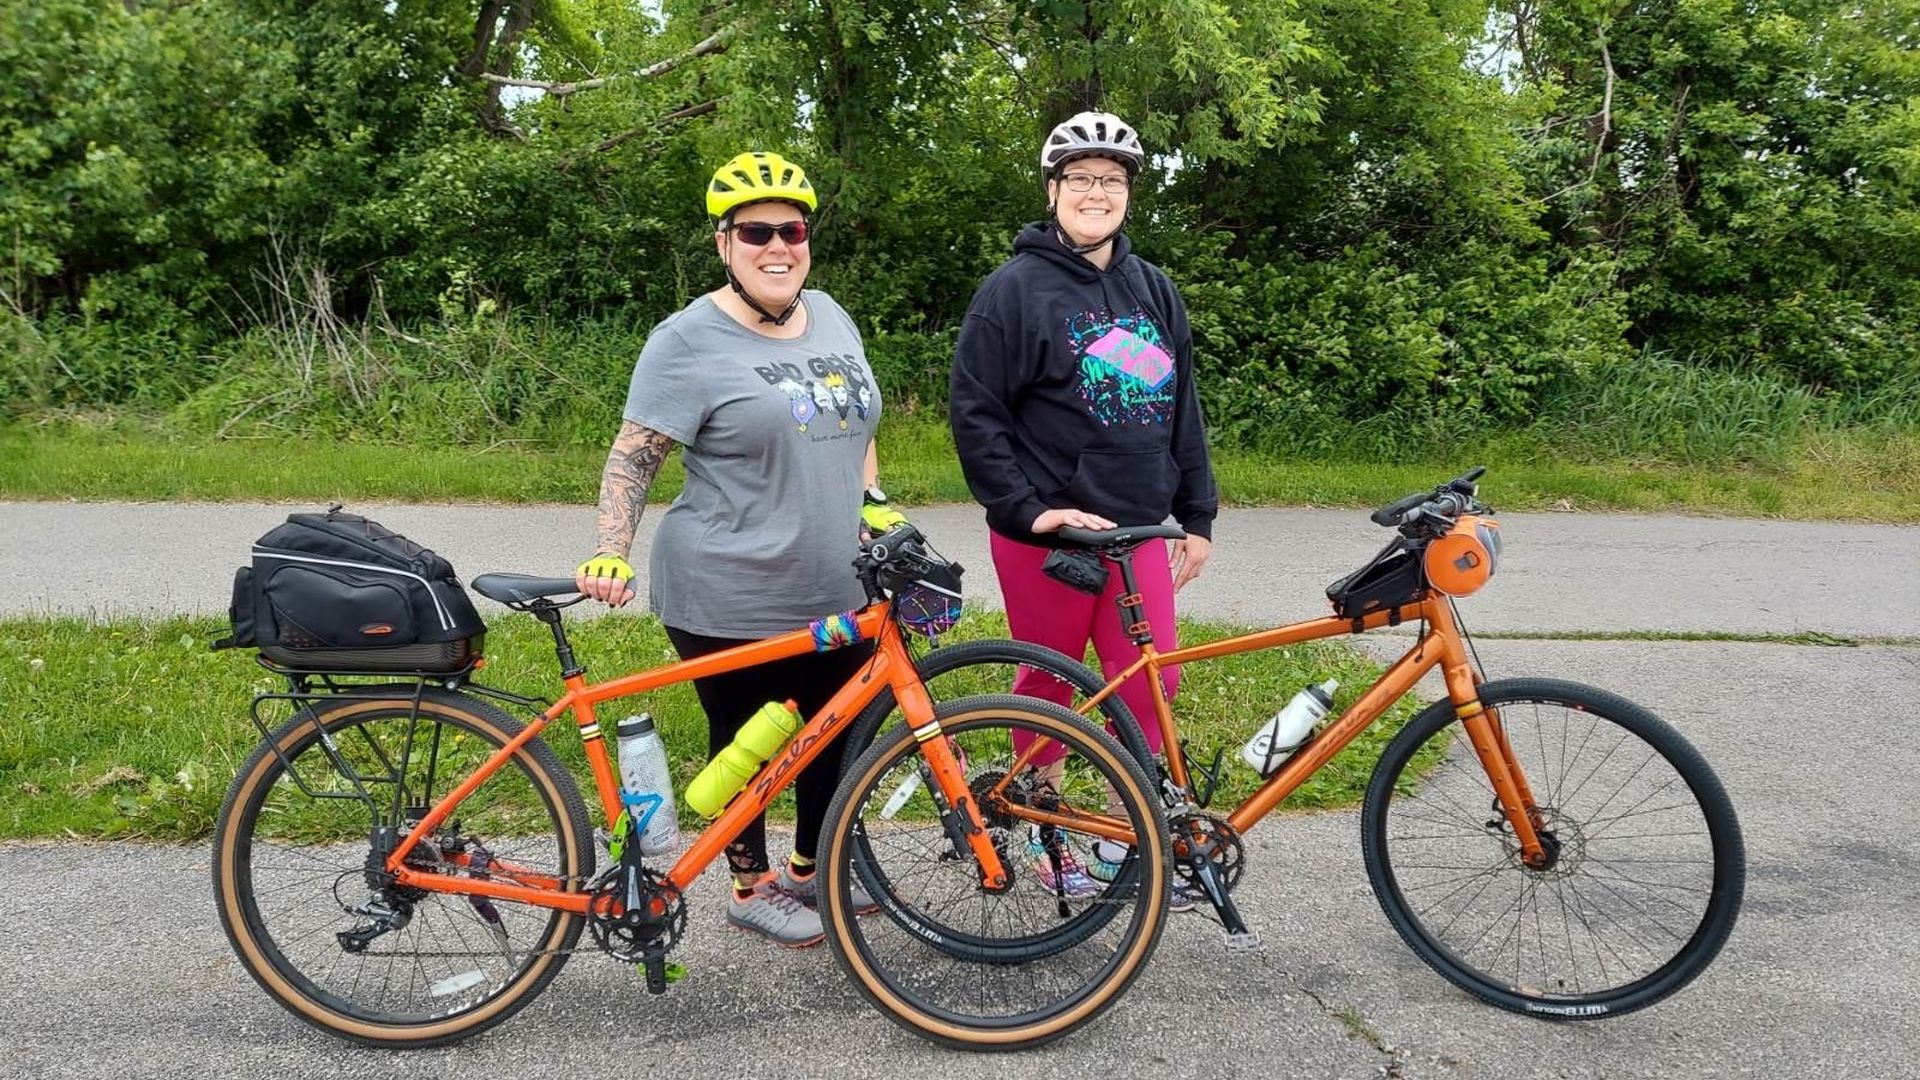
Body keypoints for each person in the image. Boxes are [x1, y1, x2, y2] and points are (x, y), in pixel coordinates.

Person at [576, 151, 885, 947]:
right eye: (756, 232)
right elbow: (634, 452)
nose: (777, 246)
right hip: (727, 585)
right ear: (724, 243)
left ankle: (814, 873)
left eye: (793, 230)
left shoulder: (832, 313)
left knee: (836, 733)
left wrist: (876, 508)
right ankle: (750, 885)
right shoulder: (686, 340)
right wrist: (611, 548)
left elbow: (855, 425)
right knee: (754, 735)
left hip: (839, 582)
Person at [949, 111, 1218, 905]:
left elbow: (1183, 407)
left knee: (1146, 688)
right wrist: (1028, 510)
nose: (1096, 192)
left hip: (1140, 528)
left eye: (1112, 179)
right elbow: (976, 413)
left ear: (1128, 193)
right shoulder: (1013, 291)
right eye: (1080, 178)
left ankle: (1126, 836)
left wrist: (1196, 516)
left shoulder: (1152, 288)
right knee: (1051, 686)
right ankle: (1044, 831)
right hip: (1054, 536)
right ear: (1053, 189)